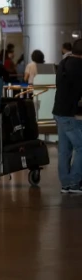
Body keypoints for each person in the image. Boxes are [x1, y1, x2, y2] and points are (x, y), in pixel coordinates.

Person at [52, 39, 82, 194]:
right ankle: (74, 182)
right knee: (81, 146)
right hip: (69, 114)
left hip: (58, 110)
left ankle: (66, 183)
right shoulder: (79, 67)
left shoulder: (64, 63)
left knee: (65, 149)